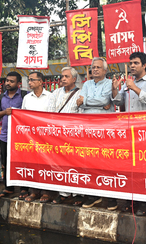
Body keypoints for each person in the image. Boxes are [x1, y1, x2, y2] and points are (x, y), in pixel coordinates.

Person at [112, 52, 146, 216]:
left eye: (135, 63)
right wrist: (115, 90)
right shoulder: (128, 82)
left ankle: (145, 203)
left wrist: (135, 88)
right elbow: (119, 102)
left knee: (145, 168)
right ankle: (131, 201)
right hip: (129, 131)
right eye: (130, 63)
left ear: (144, 65)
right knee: (129, 167)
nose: (132, 66)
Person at [76, 57, 115, 209]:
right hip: (88, 127)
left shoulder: (110, 83)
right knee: (90, 161)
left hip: (105, 129)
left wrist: (86, 101)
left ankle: (111, 196)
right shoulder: (86, 84)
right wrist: (95, 102)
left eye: (99, 67)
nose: (95, 69)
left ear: (105, 70)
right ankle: (93, 195)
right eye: (93, 67)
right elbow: (80, 103)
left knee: (107, 161)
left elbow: (104, 100)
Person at [47, 67, 83, 205]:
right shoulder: (55, 93)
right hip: (57, 135)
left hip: (73, 136)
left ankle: (78, 193)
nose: (63, 79)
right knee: (60, 164)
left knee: (76, 164)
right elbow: (50, 113)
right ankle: (63, 193)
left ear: (74, 79)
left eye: (66, 76)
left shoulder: (80, 93)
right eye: (62, 76)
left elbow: (81, 115)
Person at [0, 72, 27, 198]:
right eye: (7, 81)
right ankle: (8, 187)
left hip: (21, 136)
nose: (8, 83)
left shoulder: (25, 95)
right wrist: (4, 112)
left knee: (22, 162)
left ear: (18, 83)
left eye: (11, 81)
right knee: (6, 162)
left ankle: (24, 188)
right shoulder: (2, 97)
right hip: (5, 135)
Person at [22, 72, 52, 203]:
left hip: (47, 138)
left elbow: (54, 117)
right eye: (29, 80)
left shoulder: (51, 97)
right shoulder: (27, 98)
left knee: (46, 164)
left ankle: (46, 192)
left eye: (32, 80)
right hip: (31, 138)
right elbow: (22, 116)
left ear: (41, 82)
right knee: (32, 164)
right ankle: (33, 191)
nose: (29, 82)